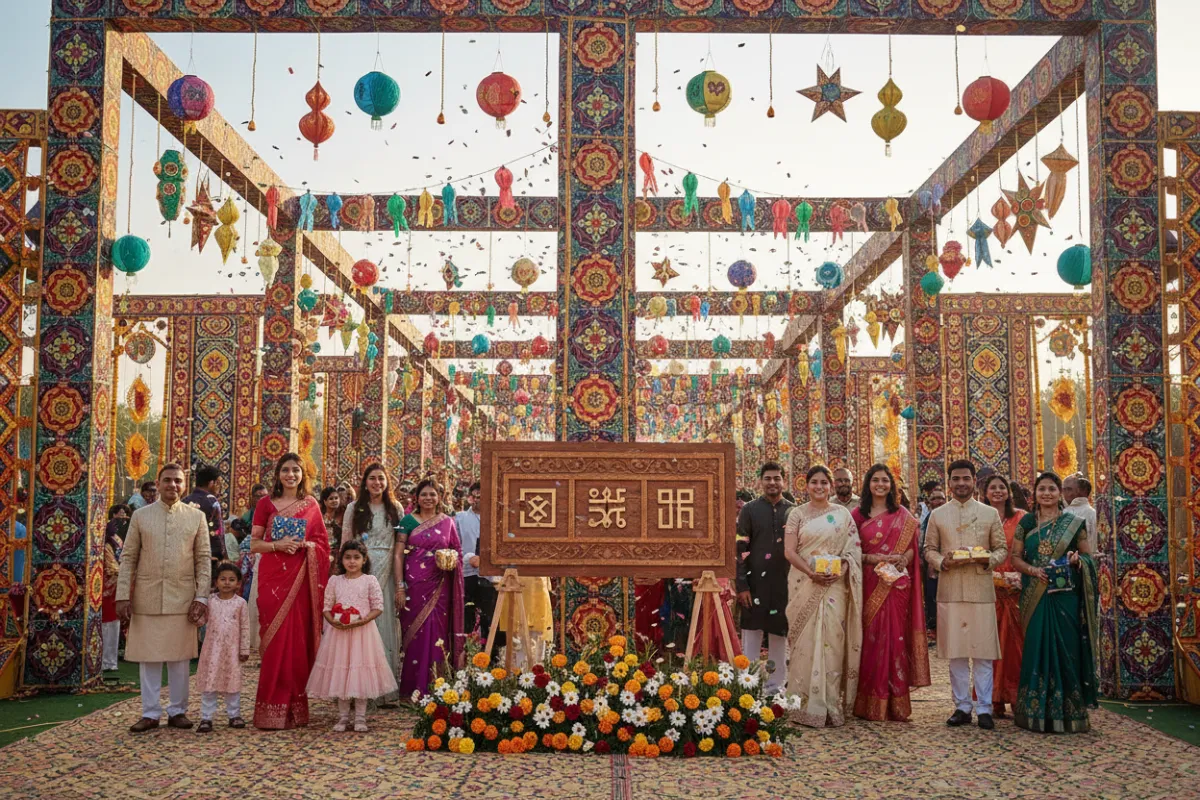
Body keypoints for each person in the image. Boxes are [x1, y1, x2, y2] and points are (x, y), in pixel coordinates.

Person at [115, 463, 211, 732]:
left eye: (178, 481)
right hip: (147, 594)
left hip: (183, 596)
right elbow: (129, 557)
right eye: (167, 480)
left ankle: (178, 711)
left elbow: (203, 560)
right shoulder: (141, 516)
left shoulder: (196, 517)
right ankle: (150, 712)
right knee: (149, 658)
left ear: (185, 484)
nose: (173, 485)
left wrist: (202, 596)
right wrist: (123, 595)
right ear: (158, 484)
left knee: (180, 659)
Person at [1010, 472, 1099, 733]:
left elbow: (1088, 557)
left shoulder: (1074, 523)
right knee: (1037, 646)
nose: (1047, 493)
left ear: (1060, 493)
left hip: (1064, 595)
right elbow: (1015, 557)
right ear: (1034, 494)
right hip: (1035, 593)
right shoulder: (1026, 522)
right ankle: (1033, 712)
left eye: (1052, 489)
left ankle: (1069, 712)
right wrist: (1032, 571)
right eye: (1042, 489)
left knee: (1066, 648)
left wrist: (1076, 561)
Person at [923, 459, 1007, 730]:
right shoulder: (938, 515)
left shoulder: (989, 514)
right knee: (957, 653)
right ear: (949, 483)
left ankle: (983, 708)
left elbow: (1001, 549)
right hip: (950, 590)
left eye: (966, 479)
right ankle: (961, 706)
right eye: (956, 479)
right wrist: (942, 562)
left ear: (974, 482)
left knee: (982, 653)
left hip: (981, 589)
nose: (961, 483)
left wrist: (987, 560)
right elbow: (929, 549)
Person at [249, 453, 331, 729]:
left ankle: (294, 709)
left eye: (296, 470)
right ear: (278, 474)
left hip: (301, 582)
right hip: (273, 579)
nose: (290, 475)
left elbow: (322, 545)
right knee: (273, 642)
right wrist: (278, 545)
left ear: (302, 475)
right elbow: (255, 544)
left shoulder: (311, 505)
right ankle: (270, 708)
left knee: (296, 644)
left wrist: (307, 547)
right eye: (285, 470)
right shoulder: (265, 504)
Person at [783, 465, 862, 727]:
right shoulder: (797, 514)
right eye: (814, 482)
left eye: (824, 483)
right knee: (803, 643)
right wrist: (811, 573)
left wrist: (841, 567)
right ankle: (802, 704)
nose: (819, 487)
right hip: (804, 583)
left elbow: (853, 549)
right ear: (806, 486)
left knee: (833, 642)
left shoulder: (842, 514)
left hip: (835, 586)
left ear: (830, 486)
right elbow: (790, 551)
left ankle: (830, 704)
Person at [851, 464, 929, 721]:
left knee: (895, 638)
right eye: (875, 480)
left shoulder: (903, 515)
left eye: (885, 480)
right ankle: (869, 702)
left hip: (896, 585)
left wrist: (902, 559)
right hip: (869, 583)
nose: (880, 485)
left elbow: (912, 550)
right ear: (868, 484)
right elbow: (851, 553)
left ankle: (896, 704)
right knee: (871, 639)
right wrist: (874, 557)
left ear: (892, 485)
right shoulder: (857, 516)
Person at [307, 540, 399, 732]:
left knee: (360, 673)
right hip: (338, 634)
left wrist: (362, 621)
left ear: (364, 560)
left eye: (356, 557)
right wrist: (332, 621)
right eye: (347, 557)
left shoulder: (370, 581)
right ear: (341, 560)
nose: (352, 561)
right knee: (341, 672)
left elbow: (378, 607)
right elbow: (326, 607)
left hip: (362, 633)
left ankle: (360, 718)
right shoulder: (335, 581)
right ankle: (342, 718)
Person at [395, 479, 465, 698]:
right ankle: (411, 688)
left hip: (440, 584)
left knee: (437, 631)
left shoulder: (448, 522)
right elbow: (398, 554)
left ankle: (436, 686)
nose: (428, 498)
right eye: (423, 494)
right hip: (414, 584)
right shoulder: (406, 520)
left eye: (432, 494)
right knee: (414, 632)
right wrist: (399, 586)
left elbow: (457, 551)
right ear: (416, 497)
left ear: (439, 497)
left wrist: (452, 560)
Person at [736, 462, 795, 696]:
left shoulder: (793, 511)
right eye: (768, 478)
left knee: (779, 635)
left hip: (784, 584)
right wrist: (742, 585)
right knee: (751, 635)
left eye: (777, 478)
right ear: (760, 481)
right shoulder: (749, 510)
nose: (772, 482)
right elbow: (740, 549)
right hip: (754, 585)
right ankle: (747, 687)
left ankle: (775, 687)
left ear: (784, 481)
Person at [343, 463, 403, 691]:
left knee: (382, 623)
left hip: (386, 572)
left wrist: (400, 584)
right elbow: (346, 542)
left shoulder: (395, 508)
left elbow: (400, 547)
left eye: (381, 478)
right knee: (361, 622)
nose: (377, 483)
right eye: (372, 478)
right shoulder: (353, 508)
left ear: (387, 482)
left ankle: (383, 687)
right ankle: (358, 686)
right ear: (365, 482)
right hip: (360, 571)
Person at [984, 475, 1025, 718]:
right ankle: (992, 698)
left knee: (1016, 645)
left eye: (1002, 487)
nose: (997, 491)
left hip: (1015, 589)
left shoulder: (1021, 518)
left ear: (1009, 492)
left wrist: (1019, 576)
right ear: (985, 492)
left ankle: (1017, 695)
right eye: (992, 487)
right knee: (990, 645)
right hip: (988, 589)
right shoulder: (980, 517)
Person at [195, 563, 250, 733]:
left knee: (232, 683)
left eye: (232, 580)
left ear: (238, 584)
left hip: (232, 652)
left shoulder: (240, 603)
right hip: (211, 650)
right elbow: (201, 621)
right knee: (209, 683)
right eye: (223, 579)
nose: (227, 583)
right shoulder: (210, 601)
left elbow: (245, 627)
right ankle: (206, 717)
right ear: (216, 582)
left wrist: (244, 649)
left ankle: (234, 715)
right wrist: (194, 613)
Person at [457, 482, 504, 650]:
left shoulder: (498, 519)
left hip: (491, 576)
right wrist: (468, 558)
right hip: (467, 573)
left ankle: (490, 661)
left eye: (483, 496)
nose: (479, 499)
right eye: (476, 496)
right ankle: (464, 660)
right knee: (466, 620)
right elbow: (453, 546)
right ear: (470, 498)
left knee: (491, 621)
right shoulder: (460, 518)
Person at [184, 464, 227, 580]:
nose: (219, 488)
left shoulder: (184, 501)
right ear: (212, 483)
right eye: (218, 484)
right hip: (208, 556)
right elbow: (217, 532)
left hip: (185, 556)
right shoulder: (211, 501)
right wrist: (222, 556)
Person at [101, 504, 130, 673]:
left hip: (112, 587)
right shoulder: (107, 543)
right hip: (106, 587)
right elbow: (113, 568)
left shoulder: (115, 540)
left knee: (112, 625)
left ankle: (108, 661)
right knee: (109, 625)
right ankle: (106, 661)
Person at [920, 485, 947, 638]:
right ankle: (934, 627)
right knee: (932, 595)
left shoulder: (948, 516)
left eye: (941, 498)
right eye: (934, 498)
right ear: (929, 502)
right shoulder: (929, 518)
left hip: (946, 562)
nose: (938, 501)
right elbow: (923, 541)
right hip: (931, 563)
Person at [1062, 474, 1097, 555]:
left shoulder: (1064, 514)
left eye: (1069, 489)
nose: (1065, 494)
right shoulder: (1094, 513)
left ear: (1079, 491)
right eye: (1064, 490)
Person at [320, 487, 344, 561]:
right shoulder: (320, 516)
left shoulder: (344, 514)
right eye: (331, 499)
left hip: (341, 552)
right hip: (324, 552)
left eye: (336, 498)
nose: (334, 501)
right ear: (325, 501)